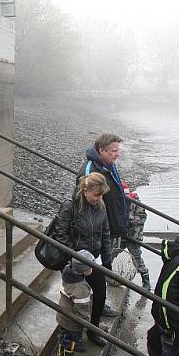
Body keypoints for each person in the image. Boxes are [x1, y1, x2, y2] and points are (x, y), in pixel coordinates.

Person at [52, 172, 113, 347]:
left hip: (94, 259)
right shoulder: (70, 206)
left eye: (101, 195)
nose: (99, 198)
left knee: (100, 294)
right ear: (85, 190)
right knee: (74, 299)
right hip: (74, 262)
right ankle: (72, 335)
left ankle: (93, 330)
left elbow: (105, 233)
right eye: (96, 195)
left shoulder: (101, 206)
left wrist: (107, 260)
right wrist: (76, 256)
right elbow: (60, 234)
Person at [75, 133, 128, 319]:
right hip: (92, 234)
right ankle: (92, 303)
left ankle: (98, 300)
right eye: (113, 151)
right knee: (92, 271)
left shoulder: (108, 165)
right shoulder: (90, 170)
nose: (117, 154)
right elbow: (80, 203)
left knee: (103, 267)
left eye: (117, 150)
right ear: (101, 150)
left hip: (106, 229)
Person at [56, 250, 95, 356]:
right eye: (90, 267)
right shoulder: (80, 289)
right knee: (69, 341)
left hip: (64, 315)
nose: (93, 269)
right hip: (72, 321)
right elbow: (82, 310)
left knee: (64, 338)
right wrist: (86, 324)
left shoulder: (69, 273)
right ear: (83, 269)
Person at [123, 183, 151, 290]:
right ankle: (111, 277)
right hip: (119, 235)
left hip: (133, 236)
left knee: (137, 258)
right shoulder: (116, 202)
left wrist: (130, 222)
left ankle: (146, 281)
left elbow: (142, 218)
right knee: (111, 254)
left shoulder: (136, 203)